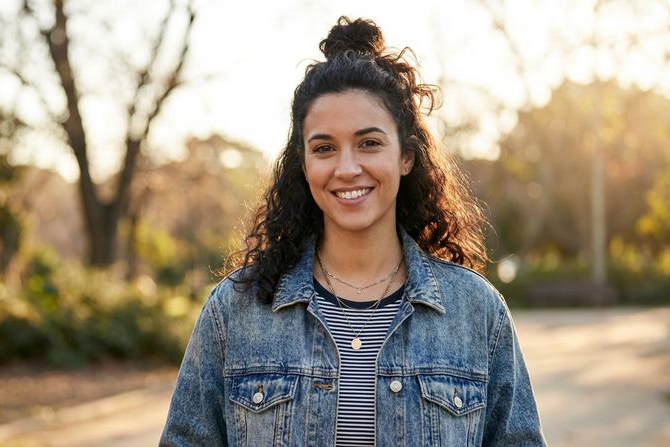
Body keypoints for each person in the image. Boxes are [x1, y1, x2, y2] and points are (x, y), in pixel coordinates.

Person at [160, 16, 545, 447]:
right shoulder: (235, 310)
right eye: (324, 148)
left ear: (406, 157)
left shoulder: (477, 313)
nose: (347, 168)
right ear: (304, 166)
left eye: (369, 143)